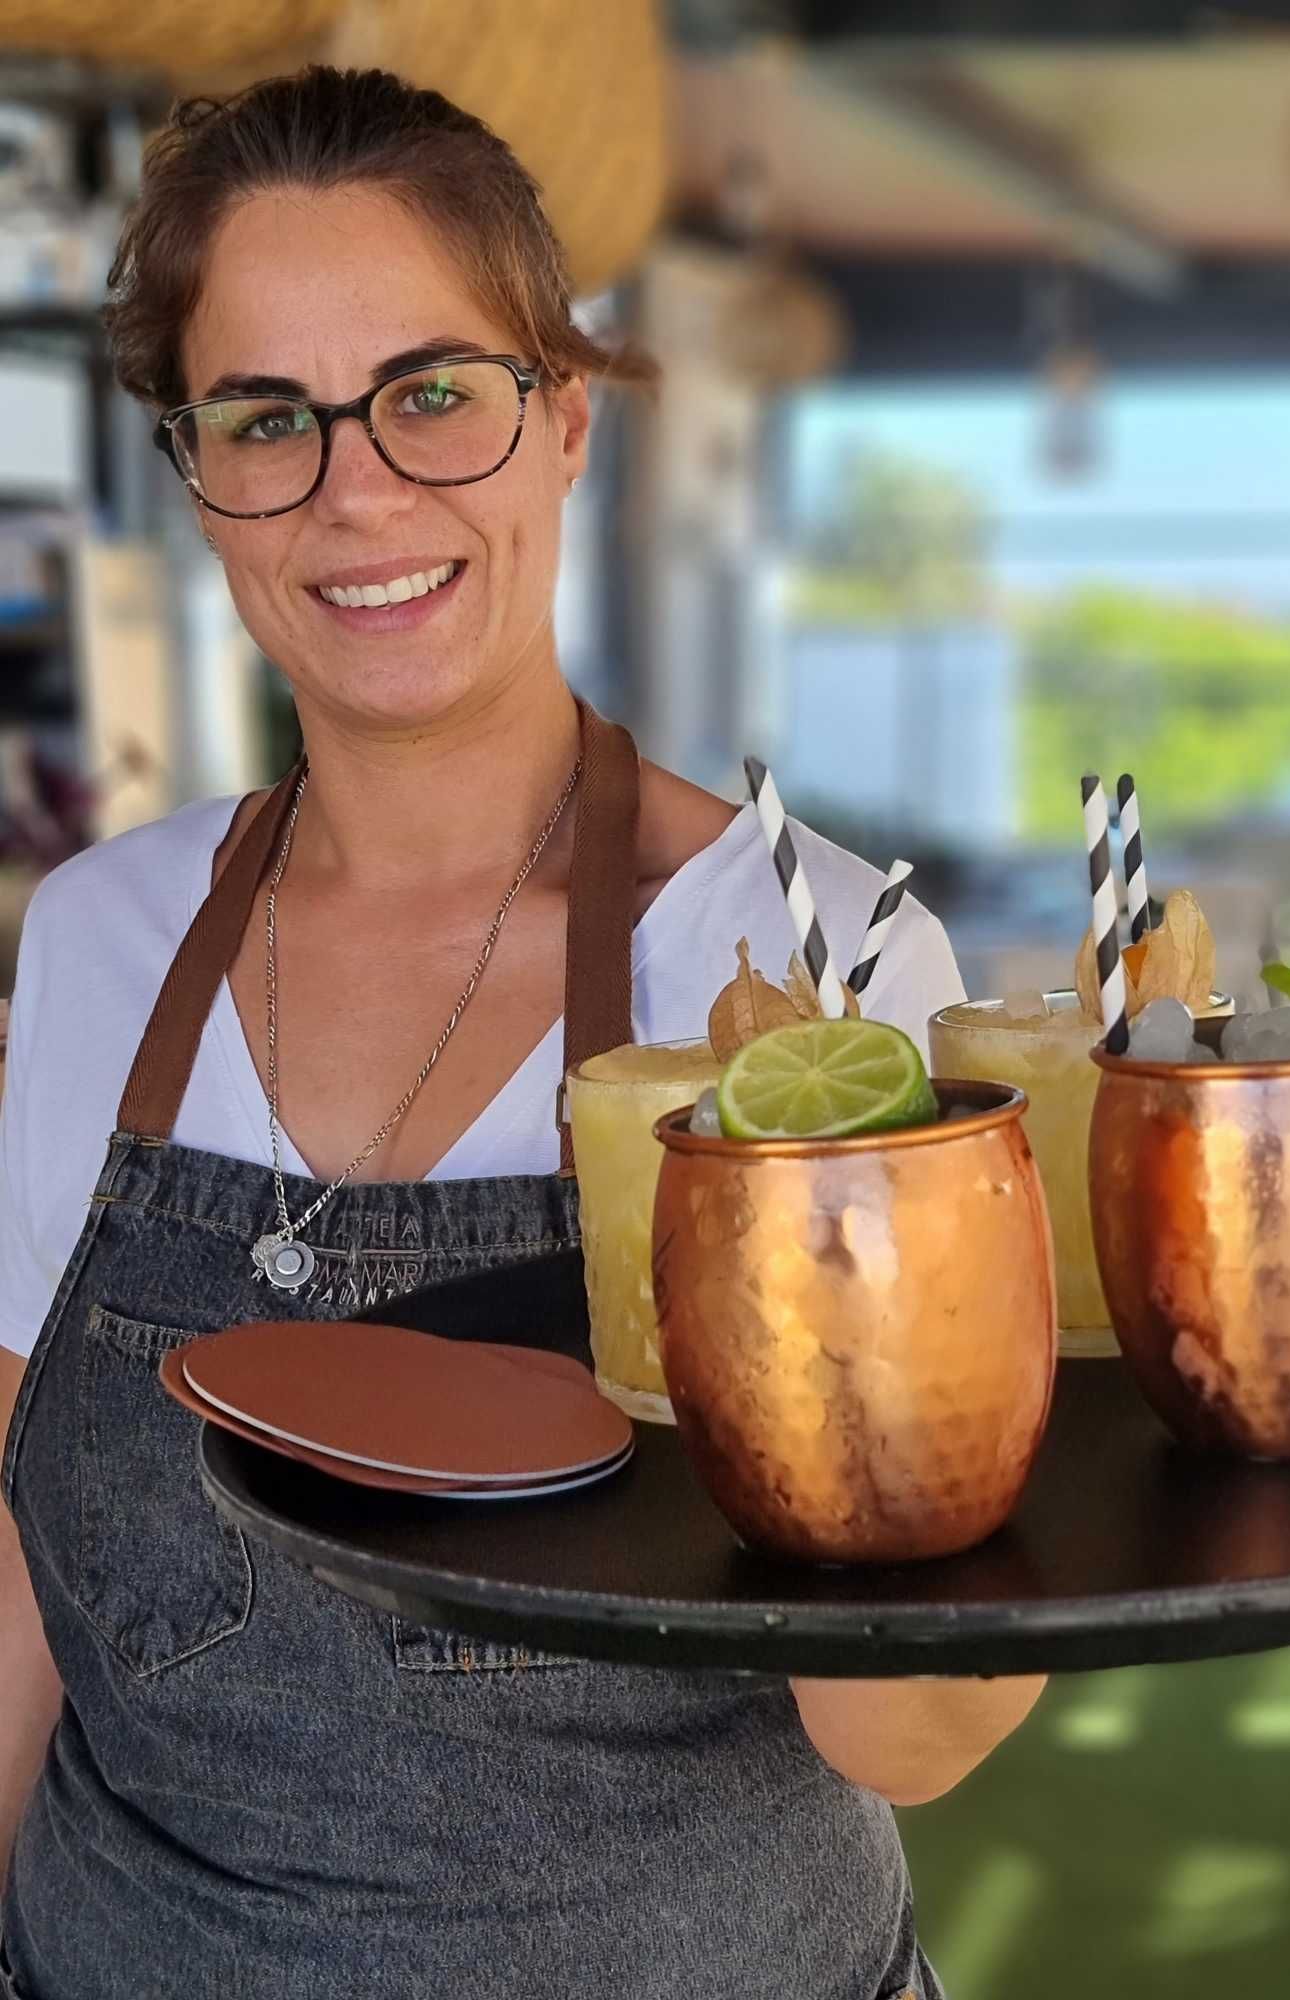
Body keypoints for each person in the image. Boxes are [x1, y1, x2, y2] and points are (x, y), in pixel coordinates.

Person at [0, 66, 1045, 2000]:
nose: (358, 491)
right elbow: (24, 1581)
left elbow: (901, 1733)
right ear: (199, 471)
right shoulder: (97, 942)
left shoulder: (824, 979)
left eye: (433, 393)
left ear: (566, 423)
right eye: (267, 420)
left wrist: (1002, 1487)